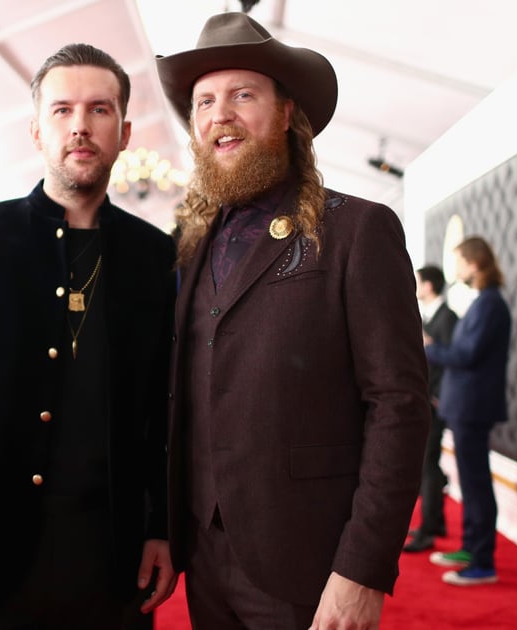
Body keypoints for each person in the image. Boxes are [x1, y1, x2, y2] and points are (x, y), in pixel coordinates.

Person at [155, 12, 431, 629]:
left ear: (285, 114)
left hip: (310, 562)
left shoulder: (358, 229)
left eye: (242, 95)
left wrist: (362, 569)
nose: (220, 114)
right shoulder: (188, 246)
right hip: (203, 555)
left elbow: (399, 404)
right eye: (204, 102)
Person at [0, 43, 177, 629]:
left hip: (111, 558)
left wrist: (161, 528)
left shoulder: (154, 255)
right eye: (62, 110)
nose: (80, 126)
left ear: (124, 133)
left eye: (99, 110)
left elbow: (163, 410)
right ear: (36, 130)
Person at [423, 236, 512, 586]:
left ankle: (482, 561)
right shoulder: (483, 302)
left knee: (476, 485)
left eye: (459, 261)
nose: (456, 268)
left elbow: (465, 355)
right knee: (472, 484)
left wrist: (429, 347)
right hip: (465, 405)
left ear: (474, 263)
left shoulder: (490, 303)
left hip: (473, 406)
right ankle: (471, 548)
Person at [404, 264, 460, 553]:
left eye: (417, 281)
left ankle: (427, 531)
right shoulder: (429, 315)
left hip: (436, 401)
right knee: (430, 463)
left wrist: (437, 395)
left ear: (428, 285)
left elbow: (455, 360)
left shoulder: (447, 317)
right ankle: (435, 522)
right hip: (427, 398)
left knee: (427, 464)